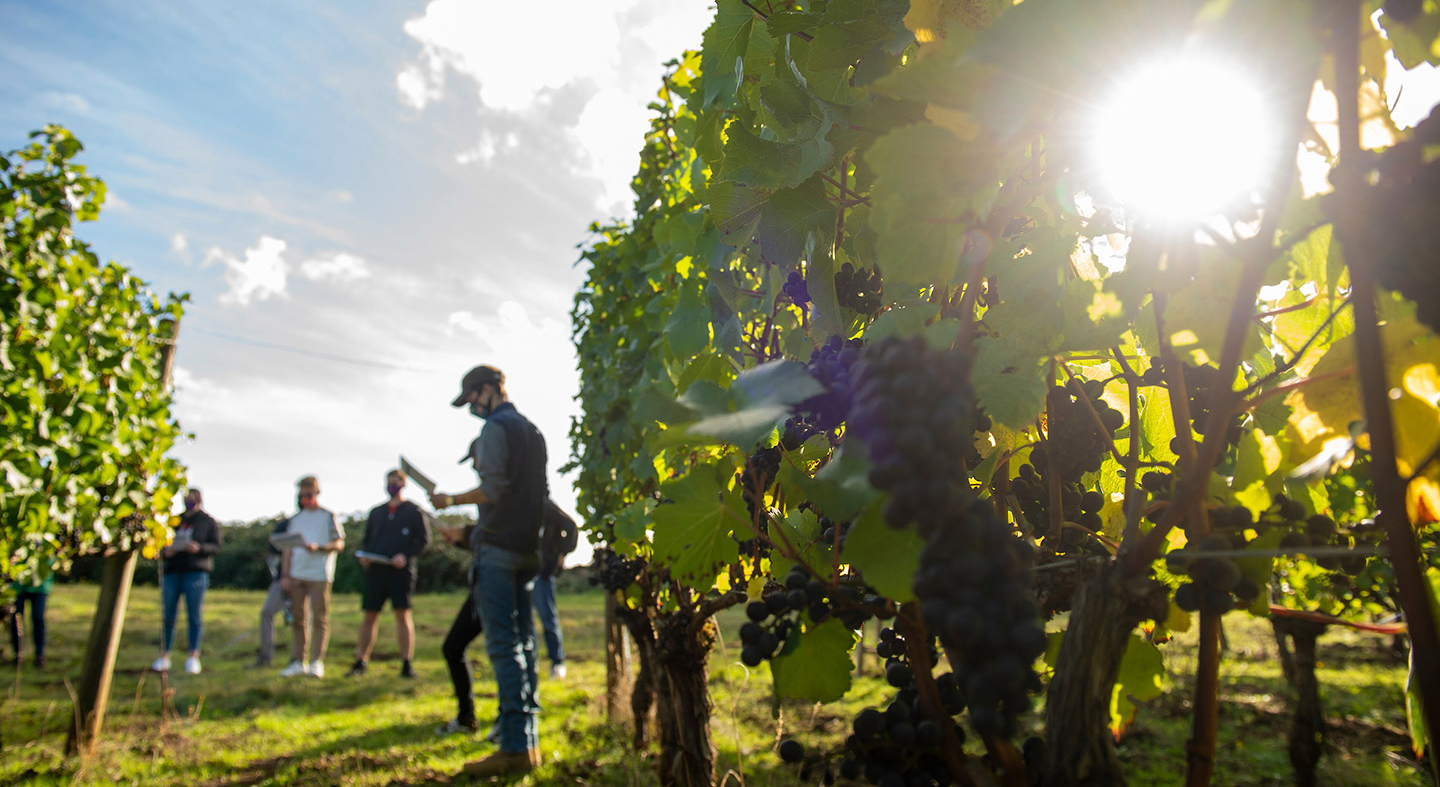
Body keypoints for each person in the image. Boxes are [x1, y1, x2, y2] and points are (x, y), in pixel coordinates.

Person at [431, 364, 548, 777]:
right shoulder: (532, 431)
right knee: (525, 645)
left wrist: (451, 500)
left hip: (499, 550)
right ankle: (526, 740)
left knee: (503, 646)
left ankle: (515, 747)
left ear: (487, 390)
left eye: (472, 400)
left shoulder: (495, 429)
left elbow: (494, 490)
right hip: (528, 549)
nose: (472, 410)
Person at [348, 469, 431, 678]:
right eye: (389, 482)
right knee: (369, 615)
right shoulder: (376, 512)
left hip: (400, 573)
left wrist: (405, 556)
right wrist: (364, 557)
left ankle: (406, 664)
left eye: (396, 482)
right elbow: (367, 541)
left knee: (403, 615)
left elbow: (423, 541)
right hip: (376, 571)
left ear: (403, 485)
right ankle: (361, 661)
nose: (392, 485)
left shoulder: (413, 511)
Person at [151, 488, 223, 675]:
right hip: (173, 571)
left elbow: (216, 546)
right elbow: (161, 542)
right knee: (168, 615)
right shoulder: (175, 521)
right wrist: (166, 551)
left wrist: (198, 548)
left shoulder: (208, 522)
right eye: (186, 499)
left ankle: (193, 657)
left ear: (199, 500)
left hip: (196, 572)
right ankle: (164, 655)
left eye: (192, 500)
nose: (189, 503)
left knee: (194, 616)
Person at [279, 476, 344, 678]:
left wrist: (320, 547)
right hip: (297, 574)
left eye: (309, 494)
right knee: (298, 619)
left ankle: (317, 662)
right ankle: (298, 661)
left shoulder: (328, 516)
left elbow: (339, 544)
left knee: (320, 618)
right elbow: (288, 550)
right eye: (302, 495)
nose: (305, 499)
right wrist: (285, 575)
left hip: (319, 575)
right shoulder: (295, 520)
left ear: (317, 493)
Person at [534, 499, 579, 679]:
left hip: (542, 572)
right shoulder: (517, 498)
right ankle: (530, 664)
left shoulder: (545, 505)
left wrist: (560, 554)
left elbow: (571, 526)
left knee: (547, 617)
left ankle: (557, 662)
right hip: (520, 569)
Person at [252, 514, 294, 668]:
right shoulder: (286, 524)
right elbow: (274, 551)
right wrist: (282, 575)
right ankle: (265, 658)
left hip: (307, 578)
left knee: (302, 618)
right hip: (283, 578)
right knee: (266, 612)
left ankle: (299, 660)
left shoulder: (319, 522)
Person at [8, 563, 53, 669]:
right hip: (18, 583)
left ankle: (39, 655)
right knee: (16, 618)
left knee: (38, 618)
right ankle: (17, 654)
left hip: (40, 583)